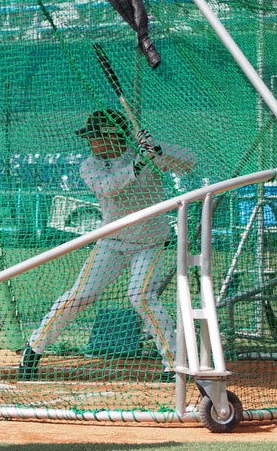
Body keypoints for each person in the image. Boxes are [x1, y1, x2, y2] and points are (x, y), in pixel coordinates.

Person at [19, 109, 195, 381]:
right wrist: (138, 164)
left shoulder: (145, 154)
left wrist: (159, 151)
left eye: (95, 137)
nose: (91, 142)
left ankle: (174, 364)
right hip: (112, 242)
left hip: (150, 242)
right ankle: (34, 349)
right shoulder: (91, 165)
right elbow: (110, 187)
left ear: (115, 136)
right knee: (81, 296)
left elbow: (189, 163)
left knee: (141, 297)